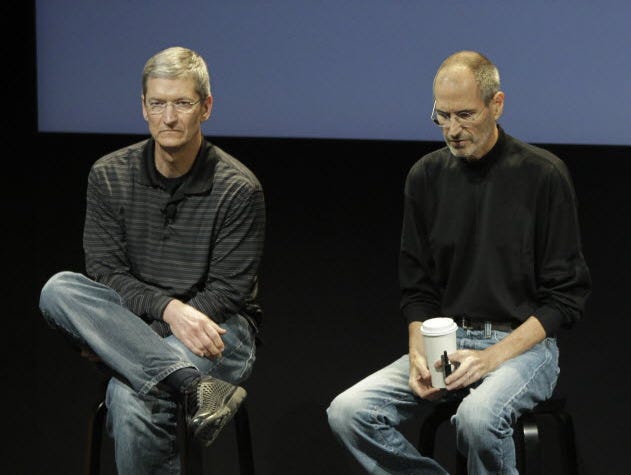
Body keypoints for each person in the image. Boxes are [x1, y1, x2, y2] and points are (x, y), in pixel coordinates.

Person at [327, 50, 591, 474]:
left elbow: (566, 298)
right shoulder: (425, 177)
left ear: (496, 104)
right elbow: (417, 287)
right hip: (447, 345)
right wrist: (419, 350)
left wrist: (492, 358)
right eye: (442, 116)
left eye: (465, 114)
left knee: (478, 418)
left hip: (524, 347)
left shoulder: (543, 175)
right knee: (349, 412)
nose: (452, 129)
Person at [39, 46, 265, 475]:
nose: (169, 117)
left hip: (218, 331)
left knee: (131, 395)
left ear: (206, 108)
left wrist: (137, 337)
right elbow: (105, 274)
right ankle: (193, 386)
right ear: (143, 107)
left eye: (182, 103)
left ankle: (176, 375)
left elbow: (227, 292)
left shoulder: (238, 188)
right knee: (59, 289)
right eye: (158, 103)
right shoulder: (108, 175)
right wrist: (166, 311)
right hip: (142, 325)